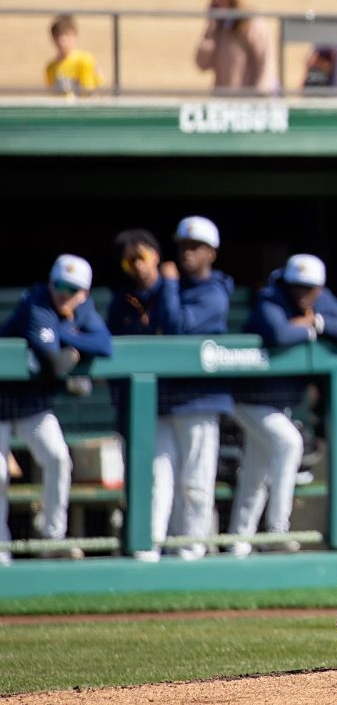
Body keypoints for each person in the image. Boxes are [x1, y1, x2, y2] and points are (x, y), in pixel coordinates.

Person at [107, 218, 234, 561]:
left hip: (200, 400)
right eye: (182, 246)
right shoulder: (166, 286)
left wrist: (170, 284)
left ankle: (190, 551)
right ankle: (149, 546)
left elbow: (177, 326)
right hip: (161, 400)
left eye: (195, 247)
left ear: (211, 252)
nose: (186, 253)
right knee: (156, 477)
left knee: (195, 482)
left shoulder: (214, 292)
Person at [228, 254, 337, 557]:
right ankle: (278, 529)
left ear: (318, 288)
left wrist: (317, 321)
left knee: (255, 470)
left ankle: (238, 541)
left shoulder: (320, 299)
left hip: (278, 404)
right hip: (248, 398)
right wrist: (308, 329)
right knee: (289, 444)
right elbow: (279, 332)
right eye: (297, 286)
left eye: (308, 288)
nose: (302, 293)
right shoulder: (271, 296)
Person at [0, 256, 112, 564]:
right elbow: (54, 364)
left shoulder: (84, 308)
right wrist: (74, 346)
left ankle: (53, 536)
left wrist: (69, 341)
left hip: (32, 403)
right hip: (3, 398)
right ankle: (1, 547)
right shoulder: (35, 304)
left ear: (84, 293)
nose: (64, 293)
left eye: (72, 289)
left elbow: (105, 345)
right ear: (50, 283)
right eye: (59, 285)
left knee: (58, 458)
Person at [194, 0, 277, 94]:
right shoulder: (218, 27)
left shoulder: (251, 23)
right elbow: (202, 64)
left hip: (248, 101)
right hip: (223, 103)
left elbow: (265, 61)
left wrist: (261, 96)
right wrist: (210, 32)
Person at [45, 14, 103, 96]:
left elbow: (90, 93)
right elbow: (52, 94)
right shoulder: (50, 67)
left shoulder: (85, 60)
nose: (62, 41)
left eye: (67, 35)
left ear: (75, 35)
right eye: (58, 36)